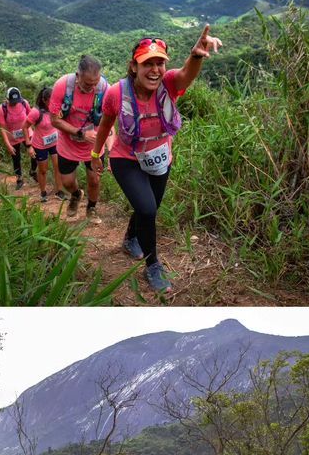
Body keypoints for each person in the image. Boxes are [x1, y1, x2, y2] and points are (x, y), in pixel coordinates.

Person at [90, 27, 223, 294]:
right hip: (126, 159)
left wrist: (196, 56)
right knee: (148, 210)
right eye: (147, 63)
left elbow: (186, 75)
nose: (154, 70)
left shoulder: (170, 84)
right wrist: (96, 154)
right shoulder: (116, 93)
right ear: (133, 66)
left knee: (148, 206)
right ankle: (153, 266)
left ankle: (130, 239)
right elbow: (105, 125)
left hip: (160, 158)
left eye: (159, 63)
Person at [48, 55, 111, 218]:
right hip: (68, 144)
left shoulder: (105, 89)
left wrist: (111, 147)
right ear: (78, 76)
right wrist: (81, 133)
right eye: (87, 84)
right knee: (67, 182)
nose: (92, 88)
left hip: (94, 146)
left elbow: (110, 121)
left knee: (95, 180)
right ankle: (76, 194)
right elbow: (55, 120)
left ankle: (91, 208)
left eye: (95, 83)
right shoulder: (62, 86)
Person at [26, 86, 61, 202]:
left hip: (54, 142)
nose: (53, 103)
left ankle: (58, 191)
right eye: (51, 101)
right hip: (40, 145)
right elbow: (24, 127)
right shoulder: (36, 112)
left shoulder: (55, 108)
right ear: (44, 100)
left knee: (58, 167)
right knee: (43, 170)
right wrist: (29, 145)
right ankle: (43, 192)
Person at [0, 87, 32, 190]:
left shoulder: (24, 103)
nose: (15, 103)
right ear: (7, 99)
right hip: (13, 137)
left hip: (27, 133)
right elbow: (2, 128)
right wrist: (8, 145)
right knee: (16, 158)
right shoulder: (2, 109)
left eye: (16, 101)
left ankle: (33, 171)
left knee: (35, 152)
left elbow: (31, 117)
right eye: (12, 101)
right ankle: (19, 179)